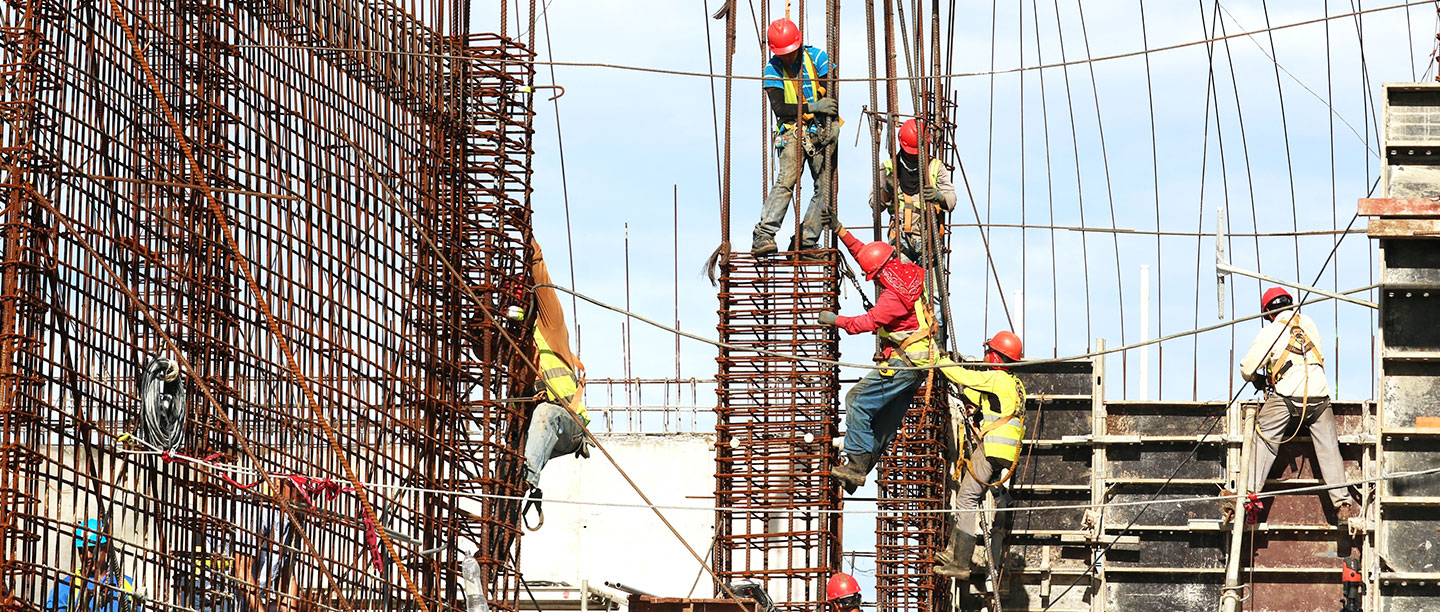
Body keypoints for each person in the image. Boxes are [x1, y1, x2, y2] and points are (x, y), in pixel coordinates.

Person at [819, 227, 935, 492]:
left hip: (904, 362)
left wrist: (835, 320)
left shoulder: (893, 297)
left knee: (856, 401)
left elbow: (868, 322)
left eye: (874, 277)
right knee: (883, 423)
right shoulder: (907, 271)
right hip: (917, 364)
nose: (874, 282)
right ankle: (857, 472)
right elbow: (867, 255)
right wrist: (840, 231)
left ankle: (857, 465)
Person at [1237, 287, 1359, 522]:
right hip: (1319, 396)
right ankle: (1342, 504)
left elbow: (1246, 367)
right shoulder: (1309, 323)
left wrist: (1259, 379)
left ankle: (1248, 496)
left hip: (1287, 396)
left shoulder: (1273, 329)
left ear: (1269, 314)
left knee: (1265, 439)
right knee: (1329, 449)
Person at [932, 332, 1027, 580]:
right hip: (1006, 452)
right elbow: (982, 397)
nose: (985, 355)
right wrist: (965, 395)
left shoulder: (996, 377)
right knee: (970, 495)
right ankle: (953, 551)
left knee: (966, 500)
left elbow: (964, 376)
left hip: (993, 448)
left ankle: (961, 563)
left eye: (988, 351)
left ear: (995, 355)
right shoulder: (1015, 384)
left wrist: (938, 360)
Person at [753, 17, 839, 256]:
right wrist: (813, 107)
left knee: (826, 187)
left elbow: (831, 94)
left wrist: (833, 121)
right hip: (792, 132)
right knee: (786, 182)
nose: (788, 57)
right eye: (784, 53)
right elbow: (779, 108)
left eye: (790, 52)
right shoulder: (772, 69)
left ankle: (806, 241)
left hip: (818, 132)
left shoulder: (818, 58)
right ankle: (763, 234)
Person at [520, 239, 591, 499]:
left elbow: (542, 282)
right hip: (538, 432)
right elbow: (483, 349)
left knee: (545, 413)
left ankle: (527, 477)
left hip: (569, 423)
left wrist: (529, 241)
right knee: (512, 444)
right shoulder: (517, 347)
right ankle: (514, 481)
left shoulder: (550, 327)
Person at [868, 119, 957, 264]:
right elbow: (875, 205)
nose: (914, 156)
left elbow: (951, 200)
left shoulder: (935, 167)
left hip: (930, 241)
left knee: (933, 287)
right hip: (901, 242)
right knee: (904, 285)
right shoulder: (888, 168)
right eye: (911, 153)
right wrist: (887, 191)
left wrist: (938, 197)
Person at [45, 519, 140, 612]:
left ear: (106, 549)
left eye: (92, 549)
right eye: (82, 551)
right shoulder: (66, 586)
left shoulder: (127, 585)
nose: (88, 556)